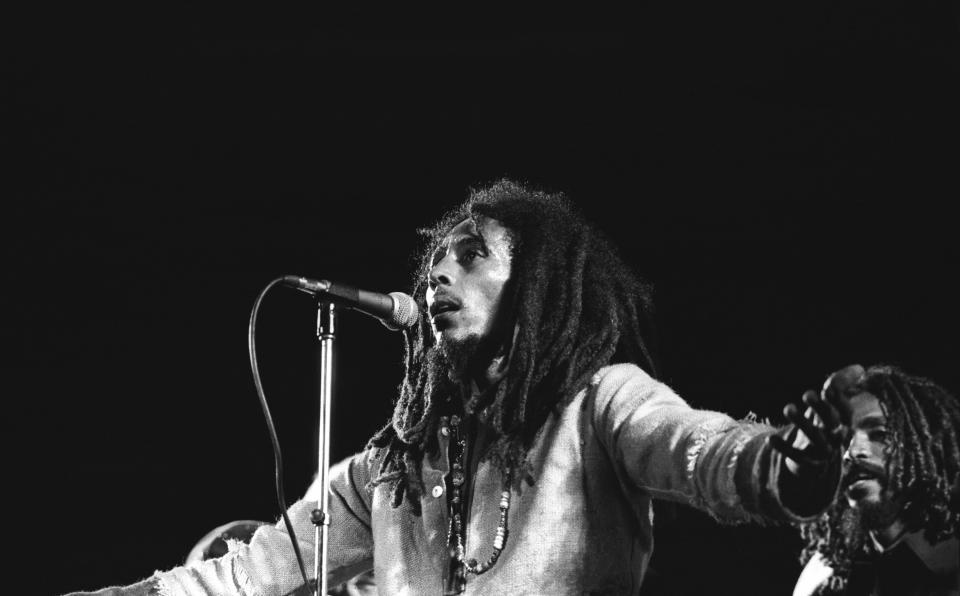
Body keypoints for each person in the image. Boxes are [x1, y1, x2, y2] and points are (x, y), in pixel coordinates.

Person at [65, 179, 854, 596]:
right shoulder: (393, 467)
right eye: (435, 258)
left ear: (536, 284)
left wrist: (783, 465)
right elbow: (254, 569)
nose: (440, 269)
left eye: (472, 253)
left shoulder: (600, 405)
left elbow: (698, 451)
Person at [793, 364, 960, 596]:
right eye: (843, 440)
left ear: (927, 449)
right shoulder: (823, 579)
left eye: (880, 434)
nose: (851, 452)